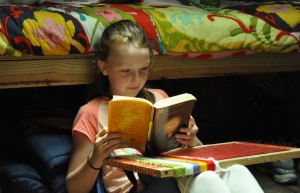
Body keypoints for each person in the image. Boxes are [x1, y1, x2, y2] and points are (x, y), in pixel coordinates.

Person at [66, 20, 264, 193]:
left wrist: (192, 140)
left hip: (175, 177)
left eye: (143, 69)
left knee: (237, 171)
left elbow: (198, 157)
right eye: (126, 71)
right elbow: (74, 188)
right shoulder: (91, 112)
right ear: (104, 68)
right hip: (139, 187)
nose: (136, 79)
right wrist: (96, 158)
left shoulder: (159, 97)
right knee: (206, 179)